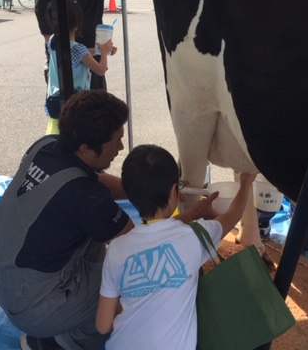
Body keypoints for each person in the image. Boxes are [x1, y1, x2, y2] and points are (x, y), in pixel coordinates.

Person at [0, 90, 217, 350]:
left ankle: (64, 317)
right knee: (133, 283)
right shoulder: (87, 198)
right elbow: (145, 246)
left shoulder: (48, 145)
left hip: (3, 276)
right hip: (33, 303)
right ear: (86, 148)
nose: (121, 147)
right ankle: (58, 342)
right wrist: (192, 213)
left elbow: (94, 181)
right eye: (116, 141)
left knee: (104, 241)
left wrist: (149, 188)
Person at [96, 144, 256, 349]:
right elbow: (232, 215)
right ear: (174, 190)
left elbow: (103, 326)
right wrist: (245, 184)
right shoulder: (193, 237)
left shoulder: (116, 249)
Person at [44, 0, 116, 134]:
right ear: (77, 23)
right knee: (77, 134)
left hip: (54, 99)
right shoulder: (78, 48)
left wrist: (98, 50)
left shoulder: (53, 41)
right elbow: (100, 70)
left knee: (60, 133)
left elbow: (80, 54)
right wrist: (104, 53)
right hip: (74, 101)